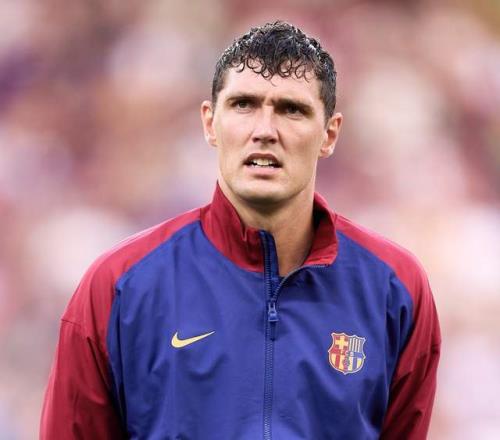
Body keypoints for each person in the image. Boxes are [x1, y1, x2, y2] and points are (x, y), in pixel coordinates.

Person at [40, 21, 440, 439]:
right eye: (244, 104)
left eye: (292, 109)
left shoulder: (394, 289)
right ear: (210, 123)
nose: (265, 131)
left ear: (329, 133)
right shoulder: (119, 287)